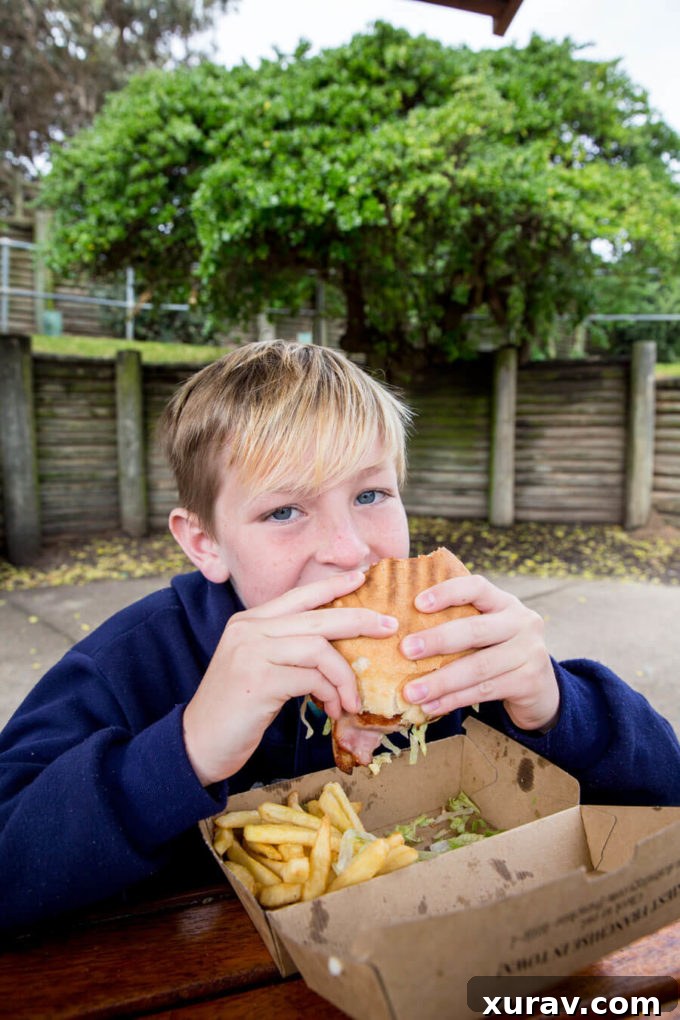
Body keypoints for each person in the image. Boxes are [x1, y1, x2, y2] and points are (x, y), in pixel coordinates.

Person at [1, 340, 678, 936]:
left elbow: (663, 797)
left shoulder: (458, 647)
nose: (348, 551)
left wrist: (560, 706)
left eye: (370, 495)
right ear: (205, 542)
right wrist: (186, 750)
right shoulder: (128, 665)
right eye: (284, 510)